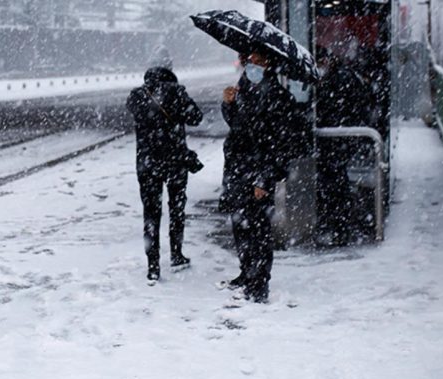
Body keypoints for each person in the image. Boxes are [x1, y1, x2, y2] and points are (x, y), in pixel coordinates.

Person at [219, 51, 300, 303]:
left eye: (260, 62)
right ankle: (246, 273)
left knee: (259, 230)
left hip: (258, 172)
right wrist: (228, 104)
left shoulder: (277, 96)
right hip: (237, 170)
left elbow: (278, 143)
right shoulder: (244, 88)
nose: (253, 65)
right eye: (251, 60)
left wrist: (264, 179)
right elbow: (237, 126)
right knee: (241, 226)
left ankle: (259, 283)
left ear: (269, 65)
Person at [126, 65, 204, 283]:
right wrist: (179, 99)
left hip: (147, 163)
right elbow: (196, 117)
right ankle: (176, 254)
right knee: (177, 208)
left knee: (151, 214)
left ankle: (153, 266)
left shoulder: (137, 97)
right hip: (175, 160)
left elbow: (137, 114)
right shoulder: (177, 93)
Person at [315, 47, 369, 246]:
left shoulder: (339, 80)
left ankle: (338, 227)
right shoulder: (340, 77)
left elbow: (343, 108)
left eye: (320, 63)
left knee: (334, 184)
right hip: (336, 141)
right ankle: (338, 226)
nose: (320, 67)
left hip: (336, 140)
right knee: (335, 183)